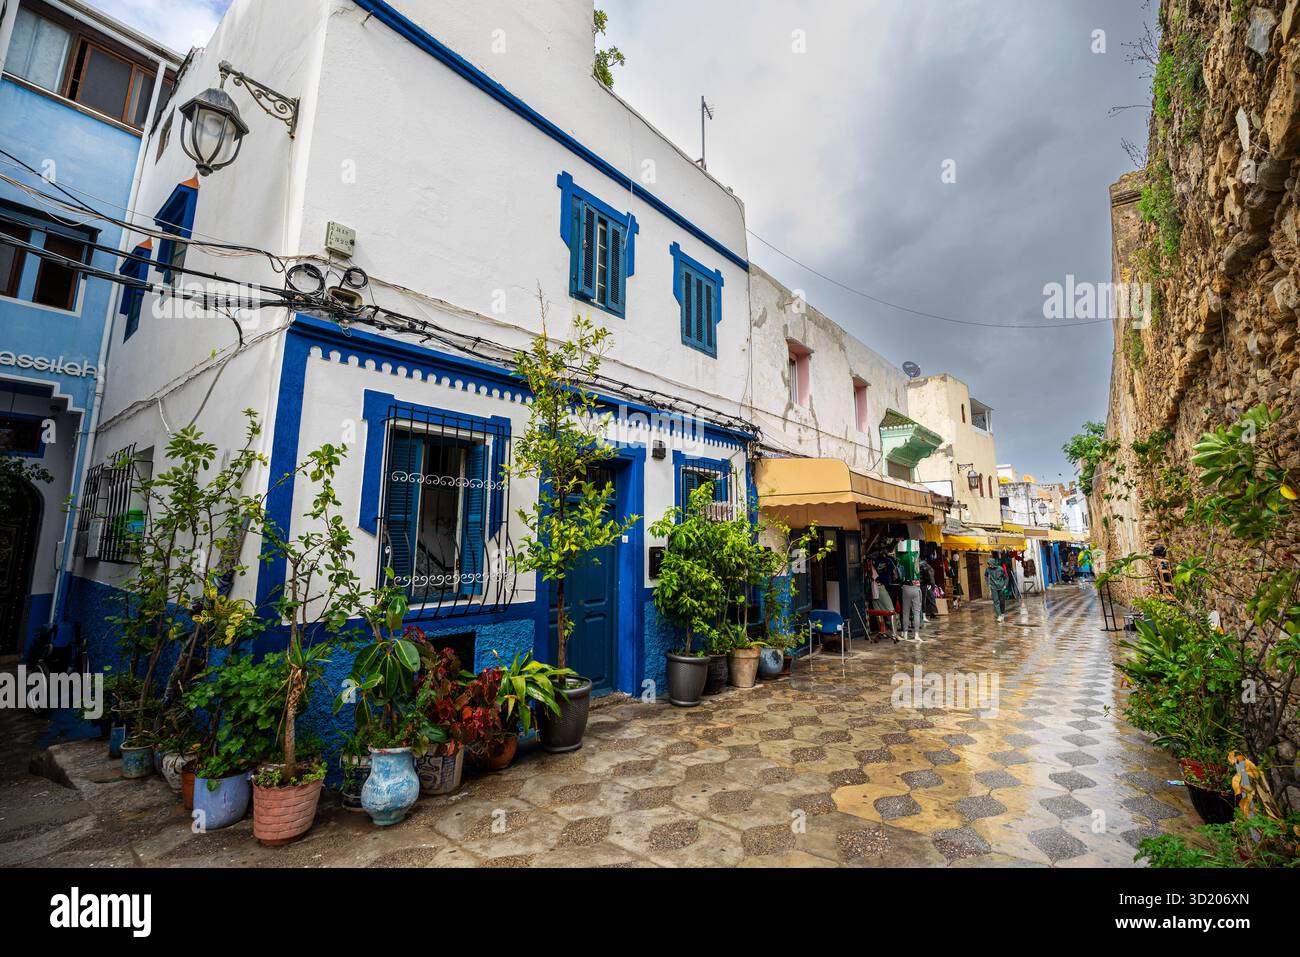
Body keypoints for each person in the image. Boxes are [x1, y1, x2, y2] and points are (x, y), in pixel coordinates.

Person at [867, 561, 898, 639]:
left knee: (879, 611)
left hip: (872, 590)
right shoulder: (886, 561)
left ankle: (882, 631)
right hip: (879, 587)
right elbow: (894, 576)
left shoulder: (871, 563)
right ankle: (894, 634)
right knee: (891, 610)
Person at [899, 570, 924, 641]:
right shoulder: (916, 562)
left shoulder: (903, 563)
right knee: (916, 613)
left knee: (905, 613)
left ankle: (905, 634)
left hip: (906, 588)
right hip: (916, 588)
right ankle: (916, 635)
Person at [985, 556, 1009, 622]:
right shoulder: (988, 569)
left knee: (1002, 601)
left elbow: (1006, 577)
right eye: (989, 564)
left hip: (1001, 587)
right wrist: (988, 584)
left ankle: (1002, 613)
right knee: (996, 601)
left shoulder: (1000, 569)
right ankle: (999, 615)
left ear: (994, 563)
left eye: (991, 564)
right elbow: (986, 576)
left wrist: (1005, 586)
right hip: (993, 587)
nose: (990, 565)